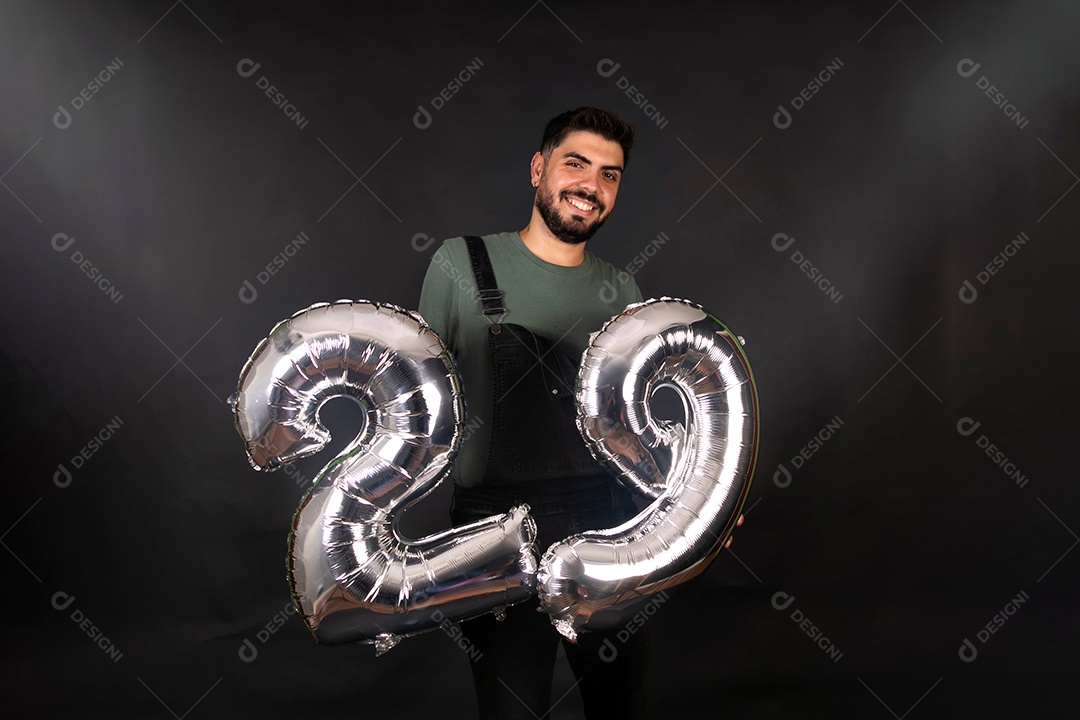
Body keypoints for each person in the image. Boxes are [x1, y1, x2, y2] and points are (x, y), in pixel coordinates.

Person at [418, 106, 648, 719]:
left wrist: (699, 499)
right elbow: (417, 406)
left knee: (622, 707)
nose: (591, 186)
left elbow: (634, 428)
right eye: (576, 164)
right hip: (495, 531)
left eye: (609, 175)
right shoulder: (460, 264)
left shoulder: (623, 291)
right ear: (538, 169)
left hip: (607, 524)